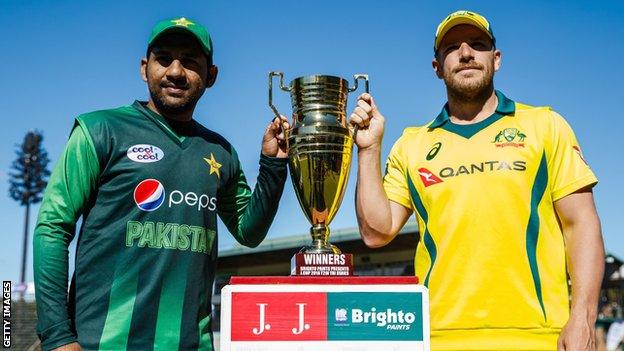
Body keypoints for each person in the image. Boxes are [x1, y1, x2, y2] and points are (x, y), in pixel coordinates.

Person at [350, 10, 604, 350]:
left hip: (538, 338)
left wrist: (583, 319)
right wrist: (368, 150)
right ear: (437, 67)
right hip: (438, 339)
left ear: (496, 59)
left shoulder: (545, 125)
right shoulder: (412, 144)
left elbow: (581, 225)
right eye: (452, 47)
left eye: (478, 45)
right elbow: (376, 232)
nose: (466, 53)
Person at [33, 17, 289, 351]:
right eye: (164, 59)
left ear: (210, 76)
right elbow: (52, 227)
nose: (175, 72)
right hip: (100, 344)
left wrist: (273, 164)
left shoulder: (220, 152)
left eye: (191, 62)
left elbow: (248, 231)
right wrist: (57, 336)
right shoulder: (100, 130)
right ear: (145, 68)